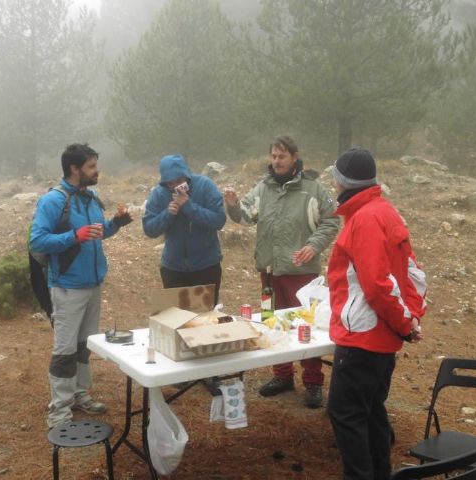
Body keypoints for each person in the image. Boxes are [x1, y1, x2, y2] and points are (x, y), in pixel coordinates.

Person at [326, 148, 427, 480]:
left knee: (346, 413)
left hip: (365, 338)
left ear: (344, 183)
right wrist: (409, 321)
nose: (333, 186)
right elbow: (410, 272)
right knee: (369, 412)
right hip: (381, 336)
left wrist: (405, 323)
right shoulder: (384, 210)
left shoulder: (365, 218)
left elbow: (378, 284)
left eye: (335, 179)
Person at [224, 136, 339, 408]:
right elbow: (245, 217)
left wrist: (313, 245)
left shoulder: (313, 188)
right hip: (268, 271)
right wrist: (232, 205)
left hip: (302, 273)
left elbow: (332, 220)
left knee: (304, 325)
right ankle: (282, 375)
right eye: (273, 156)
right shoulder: (263, 188)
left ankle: (313, 382)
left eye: (282, 157)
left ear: (295, 157)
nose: (276, 161)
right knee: (270, 321)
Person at [30, 143, 133, 429]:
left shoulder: (91, 197)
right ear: (74, 169)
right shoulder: (53, 201)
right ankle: (59, 411)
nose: (97, 171)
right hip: (66, 287)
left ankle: (79, 394)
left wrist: (116, 223)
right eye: (91, 166)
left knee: (83, 346)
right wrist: (74, 236)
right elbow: (37, 242)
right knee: (64, 351)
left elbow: (97, 234)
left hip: (93, 283)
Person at [143, 154, 226, 307]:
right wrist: (168, 214)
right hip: (173, 269)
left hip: (206, 267)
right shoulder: (159, 193)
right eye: (170, 183)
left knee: (205, 320)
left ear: (187, 176)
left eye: (180, 181)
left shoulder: (205, 186)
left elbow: (219, 220)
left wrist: (189, 206)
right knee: (177, 320)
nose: (175, 186)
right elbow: (149, 229)